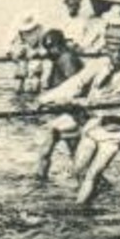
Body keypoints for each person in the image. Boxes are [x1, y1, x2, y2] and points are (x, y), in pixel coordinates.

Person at [37, 23, 120, 206]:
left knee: (93, 173)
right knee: (77, 170)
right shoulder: (99, 65)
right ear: (106, 48)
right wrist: (46, 99)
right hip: (95, 125)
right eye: (112, 50)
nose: (116, 56)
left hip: (115, 131)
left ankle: (79, 211)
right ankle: (92, 203)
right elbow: (76, 83)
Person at [31, 28, 87, 182]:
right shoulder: (60, 57)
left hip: (71, 115)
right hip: (63, 114)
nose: (49, 52)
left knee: (78, 157)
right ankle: (40, 181)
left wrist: (52, 101)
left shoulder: (66, 59)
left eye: (51, 48)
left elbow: (75, 87)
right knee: (46, 150)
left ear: (60, 45)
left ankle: (95, 184)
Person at [4, 13, 49, 94]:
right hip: (23, 56)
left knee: (34, 77)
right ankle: (23, 96)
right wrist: (12, 54)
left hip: (35, 56)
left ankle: (32, 95)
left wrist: (40, 53)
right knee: (21, 78)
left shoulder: (40, 29)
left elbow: (45, 44)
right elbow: (8, 44)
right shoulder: (19, 31)